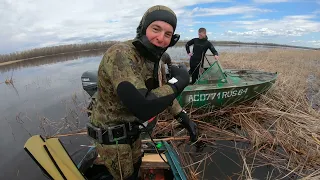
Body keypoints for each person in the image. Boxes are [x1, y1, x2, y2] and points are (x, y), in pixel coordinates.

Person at [87, 5, 198, 180]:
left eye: (168, 34)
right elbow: (142, 106)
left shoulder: (157, 58)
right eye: (156, 29)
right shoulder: (121, 54)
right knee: (126, 177)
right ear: (143, 27)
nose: (160, 38)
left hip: (133, 131)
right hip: (112, 137)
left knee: (137, 165)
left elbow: (160, 91)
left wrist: (182, 116)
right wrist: (179, 83)